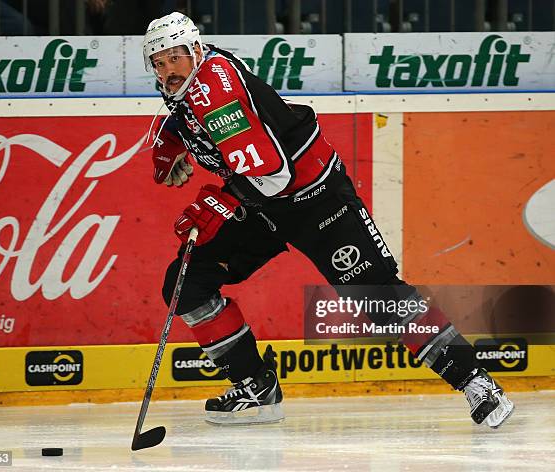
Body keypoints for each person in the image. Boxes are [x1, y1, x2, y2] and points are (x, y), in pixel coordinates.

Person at [142, 12, 514, 427]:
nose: (167, 71)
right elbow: (192, 114)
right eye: (158, 63)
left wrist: (221, 200)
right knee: (187, 281)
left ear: (195, 51)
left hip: (316, 202)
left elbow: (272, 174)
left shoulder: (216, 91)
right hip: (266, 206)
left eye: (174, 59)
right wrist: (171, 137)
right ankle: (255, 388)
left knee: (380, 297)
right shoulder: (195, 81)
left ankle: (477, 383)